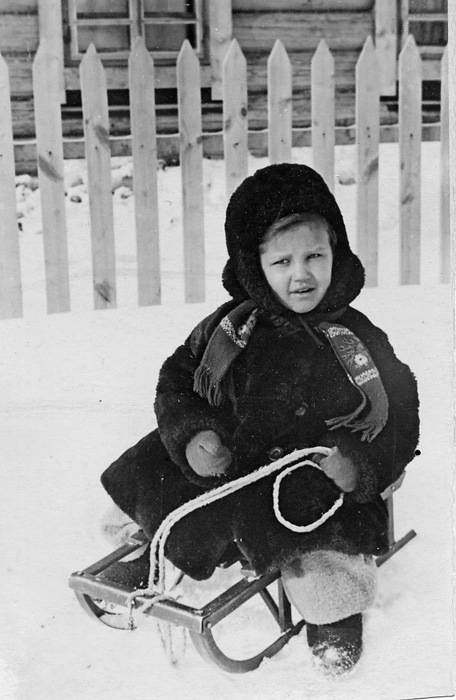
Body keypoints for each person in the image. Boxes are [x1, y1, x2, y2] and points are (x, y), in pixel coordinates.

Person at [101, 163, 419, 676]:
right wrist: (193, 435)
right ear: (255, 266)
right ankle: (155, 555)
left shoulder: (356, 338)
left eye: (315, 256)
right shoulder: (229, 330)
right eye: (282, 261)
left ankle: (334, 616)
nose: (302, 275)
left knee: (321, 551)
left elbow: (400, 410)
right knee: (159, 489)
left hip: (310, 476)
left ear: (336, 252)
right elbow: (177, 383)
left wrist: (358, 464)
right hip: (232, 459)